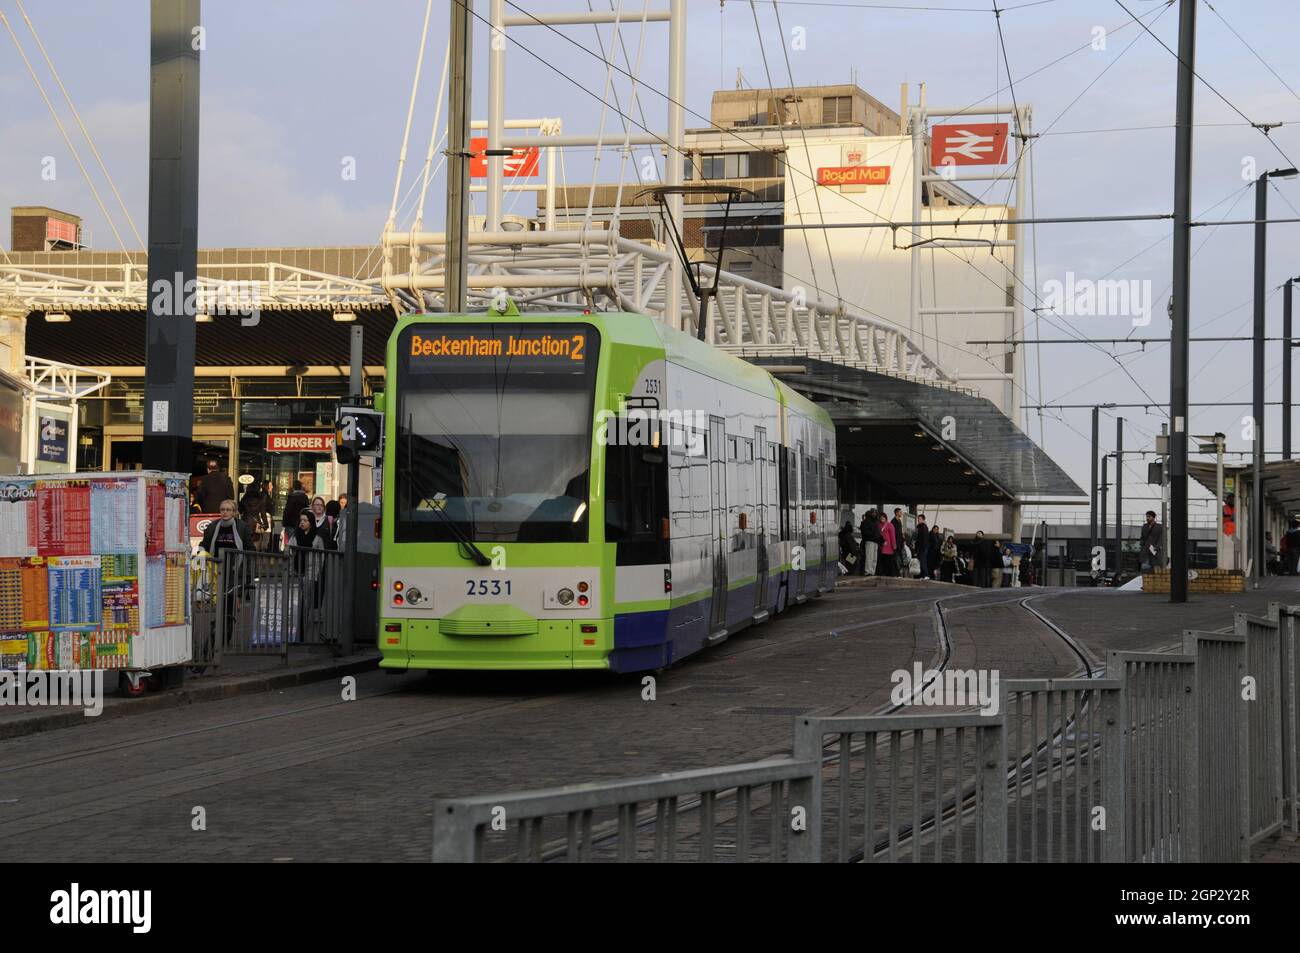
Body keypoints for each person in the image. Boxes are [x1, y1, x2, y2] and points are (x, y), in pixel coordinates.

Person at [200, 500, 252, 648]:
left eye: (229, 510)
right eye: (222, 509)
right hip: (215, 572)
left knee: (228, 607)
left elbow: (249, 548)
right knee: (216, 606)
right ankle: (216, 633)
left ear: (235, 512)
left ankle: (223, 638)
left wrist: (247, 574)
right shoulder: (212, 527)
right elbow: (205, 544)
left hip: (234, 573)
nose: (225, 512)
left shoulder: (242, 527)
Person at [288, 510, 326, 641]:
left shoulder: (317, 538)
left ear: (310, 522)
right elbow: (288, 552)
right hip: (295, 573)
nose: (302, 523)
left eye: (305, 520)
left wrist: (316, 573)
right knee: (294, 603)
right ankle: (293, 631)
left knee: (306, 603)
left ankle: (302, 632)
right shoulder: (295, 536)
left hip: (310, 573)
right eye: (301, 520)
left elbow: (321, 557)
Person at [239, 481, 272, 552]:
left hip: (245, 523)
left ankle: (246, 562)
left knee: (245, 548)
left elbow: (240, 511)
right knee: (255, 549)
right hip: (256, 525)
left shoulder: (244, 500)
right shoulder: (260, 500)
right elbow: (263, 515)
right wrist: (265, 526)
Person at [281, 481, 310, 547]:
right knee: (300, 543)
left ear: (293, 488)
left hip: (291, 524)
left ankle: (292, 556)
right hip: (301, 523)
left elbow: (288, 511)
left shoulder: (291, 497)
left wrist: (284, 523)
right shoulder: (305, 497)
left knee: (291, 543)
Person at [860, 509, 880, 576]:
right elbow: (865, 532)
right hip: (870, 541)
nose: (874, 513)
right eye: (873, 512)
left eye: (875, 512)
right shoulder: (866, 521)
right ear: (870, 513)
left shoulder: (876, 522)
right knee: (869, 557)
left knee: (874, 558)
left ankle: (872, 571)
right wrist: (874, 536)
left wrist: (881, 540)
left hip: (876, 541)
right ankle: (868, 571)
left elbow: (878, 532)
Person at [879, 511, 898, 577]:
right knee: (884, 561)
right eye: (881, 518)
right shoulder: (878, 525)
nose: (882, 519)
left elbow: (893, 536)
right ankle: (885, 573)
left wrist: (894, 545)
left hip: (889, 547)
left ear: (886, 518)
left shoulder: (890, 525)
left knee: (889, 561)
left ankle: (890, 574)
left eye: (883, 517)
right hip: (881, 546)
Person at [915, 515, 932, 581]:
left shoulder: (923, 527)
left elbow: (924, 539)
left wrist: (921, 548)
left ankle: (926, 575)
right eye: (918, 519)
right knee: (921, 562)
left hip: (923, 548)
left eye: (920, 519)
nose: (918, 520)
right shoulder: (920, 527)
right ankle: (922, 575)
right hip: (921, 548)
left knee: (923, 561)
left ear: (923, 520)